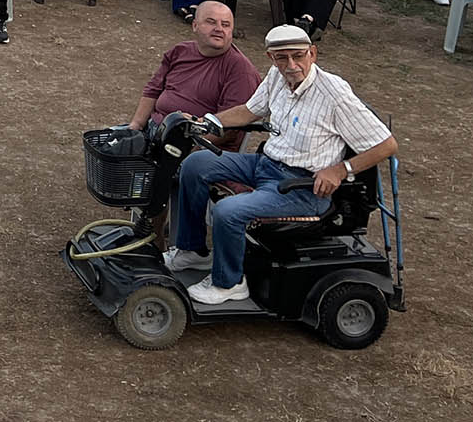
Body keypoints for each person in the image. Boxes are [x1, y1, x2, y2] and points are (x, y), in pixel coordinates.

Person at [165, 24, 398, 307]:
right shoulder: (277, 76)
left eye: (298, 56)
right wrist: (204, 122)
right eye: (282, 58)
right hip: (267, 164)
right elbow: (249, 111)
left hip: (303, 188)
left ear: (313, 53)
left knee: (228, 211)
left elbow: (387, 145)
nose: (291, 65)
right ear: (271, 58)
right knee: (196, 163)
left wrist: (340, 170)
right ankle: (193, 251)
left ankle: (229, 283)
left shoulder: (334, 94)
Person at [129, 2, 261, 135]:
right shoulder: (180, 51)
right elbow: (152, 91)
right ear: (195, 25)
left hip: (193, 140)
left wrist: (193, 146)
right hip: (154, 128)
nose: (219, 29)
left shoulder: (240, 70)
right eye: (211, 22)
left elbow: (230, 128)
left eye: (225, 25)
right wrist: (135, 127)